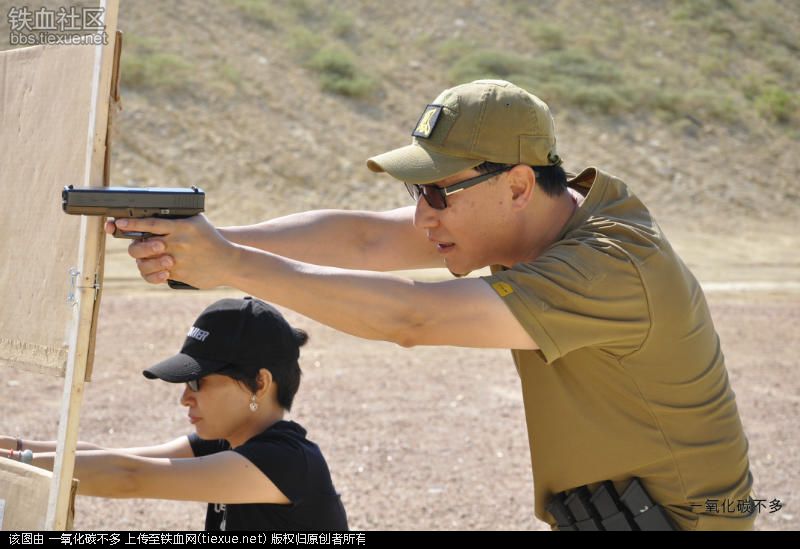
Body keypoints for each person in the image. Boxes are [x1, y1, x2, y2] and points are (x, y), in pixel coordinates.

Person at [104, 79, 755, 530]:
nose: (421, 214)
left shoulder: (611, 265)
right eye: (417, 190)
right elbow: (360, 237)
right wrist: (202, 244)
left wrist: (231, 264)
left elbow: (415, 318)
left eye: (438, 193)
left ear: (520, 185)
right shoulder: (529, 220)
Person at [1, 297, 348, 531]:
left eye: (198, 383)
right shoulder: (228, 444)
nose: (185, 398)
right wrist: (13, 449)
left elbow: (129, 476)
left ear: (260, 382)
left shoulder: (284, 460)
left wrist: (16, 465)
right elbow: (116, 457)